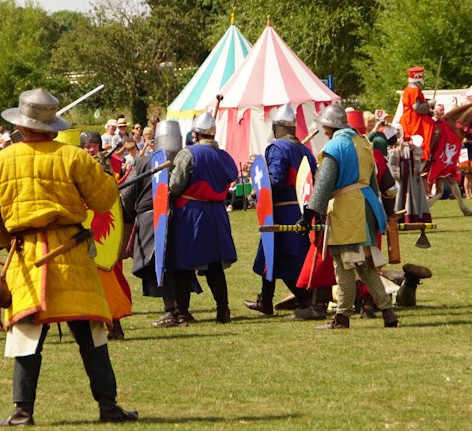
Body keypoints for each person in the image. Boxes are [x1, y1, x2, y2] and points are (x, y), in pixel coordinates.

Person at [0, 88, 138, 426]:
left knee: (26, 335)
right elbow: (104, 199)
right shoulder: (75, 157)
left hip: (27, 256)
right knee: (92, 335)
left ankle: (22, 412)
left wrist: (12, 241)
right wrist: (104, 171)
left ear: (21, 124)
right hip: (72, 253)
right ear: (52, 125)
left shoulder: (1, 161)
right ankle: (107, 407)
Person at [301, 104, 398, 330]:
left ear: (328, 126)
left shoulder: (336, 146)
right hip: (366, 206)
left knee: (343, 265)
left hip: (348, 211)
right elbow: (373, 182)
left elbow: (325, 183)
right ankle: (388, 311)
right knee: (365, 267)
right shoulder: (363, 143)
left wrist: (311, 212)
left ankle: (342, 317)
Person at [121, 120, 202, 328]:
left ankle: (172, 312)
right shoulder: (187, 159)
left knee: (161, 264)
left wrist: (128, 215)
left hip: (152, 220)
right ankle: (182, 310)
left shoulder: (143, 162)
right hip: (183, 219)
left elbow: (128, 197)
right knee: (177, 264)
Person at [244, 105, 317, 316]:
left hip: (282, 211)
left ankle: (305, 303)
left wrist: (257, 194)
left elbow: (275, 180)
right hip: (300, 212)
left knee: (283, 258)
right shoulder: (306, 151)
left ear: (277, 127)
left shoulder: (277, 148)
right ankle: (265, 300)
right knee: (270, 256)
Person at [169, 111, 239, 323]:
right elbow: (231, 178)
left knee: (182, 264)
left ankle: (182, 312)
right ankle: (223, 311)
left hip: (191, 214)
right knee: (214, 265)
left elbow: (175, 186)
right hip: (217, 214)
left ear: (196, 134)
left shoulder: (187, 153)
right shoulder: (225, 156)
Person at [78, 131, 133, 340]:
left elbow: (112, 201)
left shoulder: (111, 168)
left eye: (94, 145)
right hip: (84, 231)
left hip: (103, 234)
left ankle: (114, 325)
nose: (91, 149)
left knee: (107, 283)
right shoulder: (77, 166)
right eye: (87, 146)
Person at [399, 66, 435, 162]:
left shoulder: (408, 89)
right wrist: (429, 104)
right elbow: (417, 107)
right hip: (413, 117)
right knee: (434, 128)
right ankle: (427, 153)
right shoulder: (415, 90)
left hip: (409, 115)